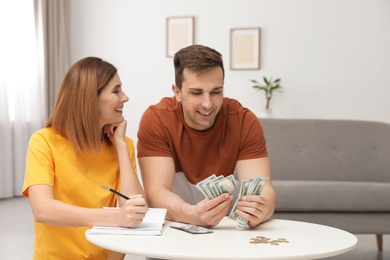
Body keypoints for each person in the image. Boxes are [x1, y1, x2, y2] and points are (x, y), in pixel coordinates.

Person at [22, 57, 148, 259]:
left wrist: (121, 146)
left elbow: (136, 209)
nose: (125, 98)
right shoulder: (44, 141)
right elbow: (42, 209)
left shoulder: (123, 145)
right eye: (116, 91)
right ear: (90, 98)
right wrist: (115, 217)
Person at [137, 44, 276, 228]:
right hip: (172, 228)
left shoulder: (244, 121)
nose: (208, 104)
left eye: (216, 92)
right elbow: (156, 193)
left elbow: (264, 189)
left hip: (222, 231)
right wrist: (192, 214)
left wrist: (262, 208)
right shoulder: (157, 119)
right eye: (196, 92)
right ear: (177, 92)